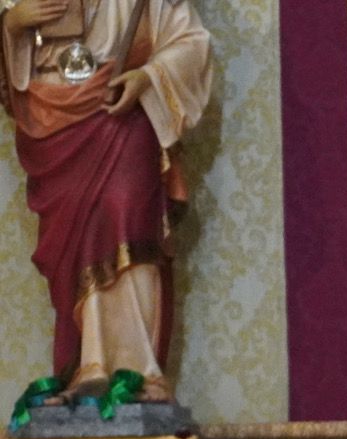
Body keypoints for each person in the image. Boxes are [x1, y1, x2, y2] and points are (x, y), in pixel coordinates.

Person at [3, 0, 212, 402]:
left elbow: (191, 41)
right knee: (76, 246)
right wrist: (11, 26)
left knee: (127, 214)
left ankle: (137, 370)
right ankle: (89, 367)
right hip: (51, 126)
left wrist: (148, 78)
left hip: (121, 109)